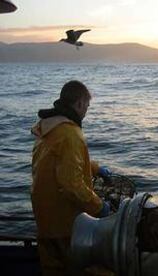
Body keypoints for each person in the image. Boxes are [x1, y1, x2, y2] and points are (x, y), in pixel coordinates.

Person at [31, 80, 112, 275]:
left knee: (52, 270)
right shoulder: (70, 134)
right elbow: (71, 184)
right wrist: (98, 206)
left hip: (45, 219)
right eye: (86, 106)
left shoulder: (48, 127)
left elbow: (58, 162)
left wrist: (95, 168)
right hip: (64, 224)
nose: (86, 111)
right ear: (78, 104)